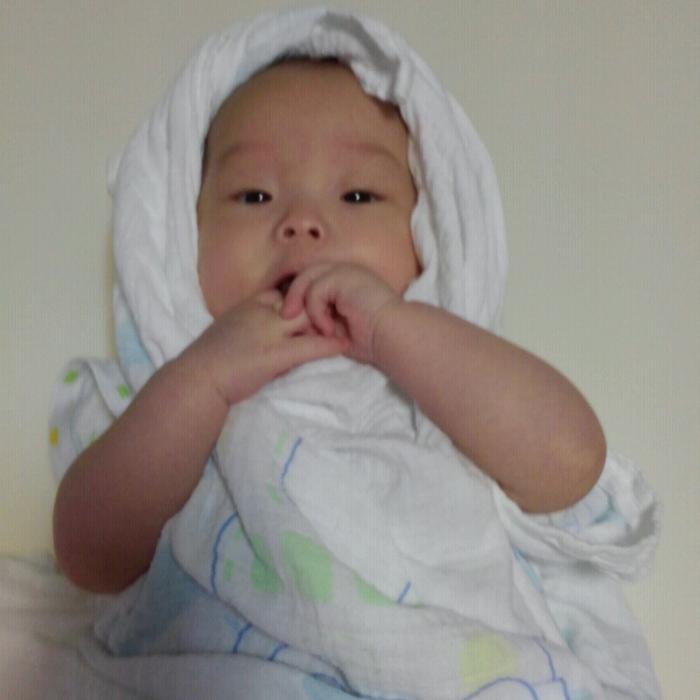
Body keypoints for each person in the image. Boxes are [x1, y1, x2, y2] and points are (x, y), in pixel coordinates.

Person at [48, 9, 659, 699]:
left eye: (359, 195)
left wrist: (398, 331)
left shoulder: (445, 394)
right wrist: (202, 379)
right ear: (179, 238)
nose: (302, 222)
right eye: (253, 194)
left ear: (432, 237)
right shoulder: (168, 396)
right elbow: (90, 555)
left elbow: (572, 462)